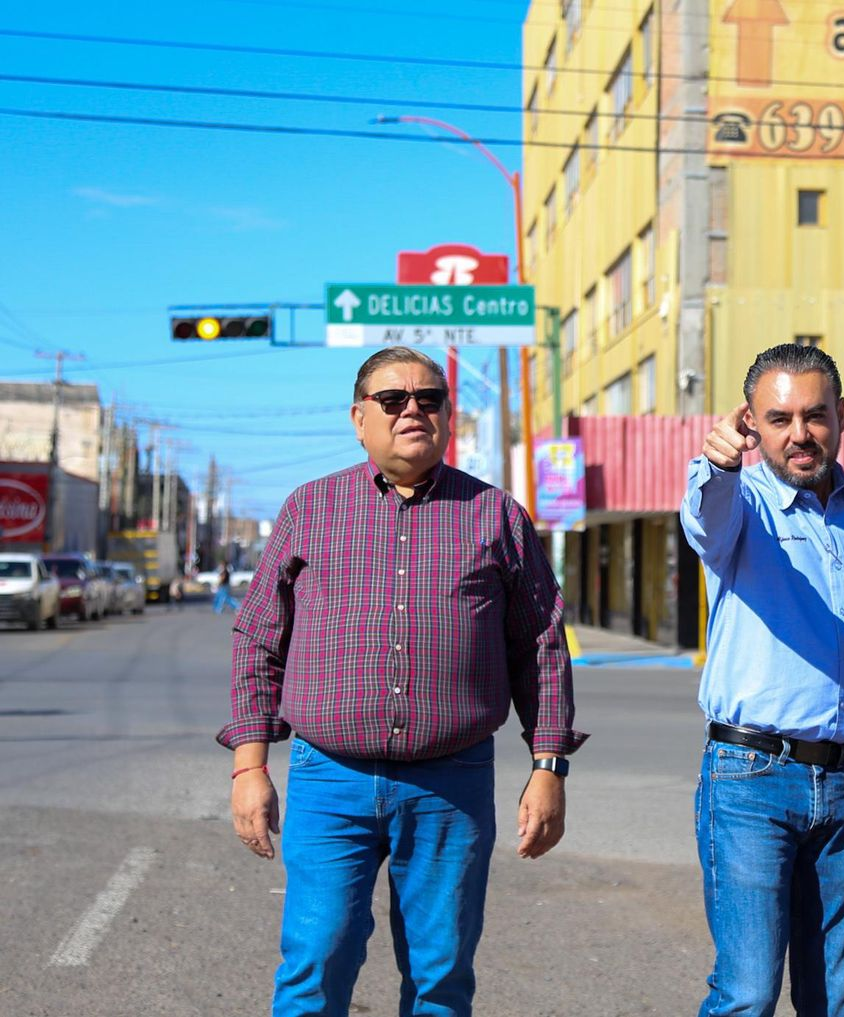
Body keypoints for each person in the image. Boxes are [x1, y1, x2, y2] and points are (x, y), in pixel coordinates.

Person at [220, 346, 584, 1017]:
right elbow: (257, 638)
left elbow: (541, 645)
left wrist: (549, 766)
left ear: (448, 416)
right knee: (315, 965)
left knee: (440, 976)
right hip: (330, 779)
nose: (413, 409)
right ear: (360, 419)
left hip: (453, 783)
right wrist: (250, 766)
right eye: (393, 400)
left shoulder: (497, 516)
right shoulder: (309, 508)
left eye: (430, 398)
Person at [681, 342, 844, 1017]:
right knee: (748, 993)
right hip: (751, 778)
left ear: (841, 415)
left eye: (815, 415)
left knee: (833, 999)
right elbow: (703, 520)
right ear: (752, 422)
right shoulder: (739, 502)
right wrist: (718, 462)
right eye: (778, 418)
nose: (799, 434)